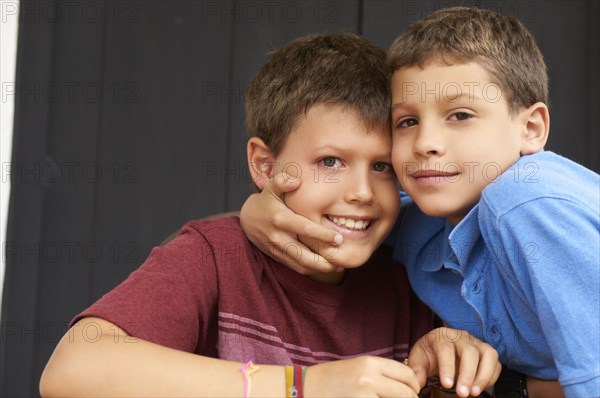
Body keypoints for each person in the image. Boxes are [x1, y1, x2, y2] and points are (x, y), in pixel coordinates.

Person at [39, 33, 500, 397]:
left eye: (381, 166)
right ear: (264, 164)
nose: (362, 193)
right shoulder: (215, 256)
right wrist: (302, 387)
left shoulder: (411, 269)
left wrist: (443, 352)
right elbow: (73, 369)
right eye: (330, 162)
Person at [239, 7, 600, 398]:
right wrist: (257, 210)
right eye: (407, 121)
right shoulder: (427, 224)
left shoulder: (525, 202)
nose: (426, 142)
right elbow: (354, 213)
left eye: (460, 115)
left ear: (530, 129)